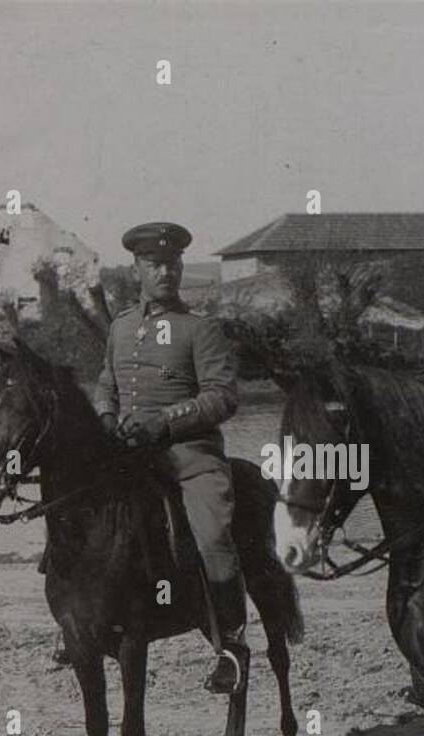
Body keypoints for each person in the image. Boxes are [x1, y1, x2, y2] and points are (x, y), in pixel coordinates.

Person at [91, 221, 249, 695]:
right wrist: (104, 415)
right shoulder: (120, 325)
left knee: (214, 531)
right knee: (74, 507)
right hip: (127, 454)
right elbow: (106, 382)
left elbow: (222, 397)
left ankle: (231, 646)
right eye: (154, 264)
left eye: (172, 263)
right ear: (136, 268)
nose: (166, 271)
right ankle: (78, 618)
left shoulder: (199, 329)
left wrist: (164, 423)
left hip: (188, 455)